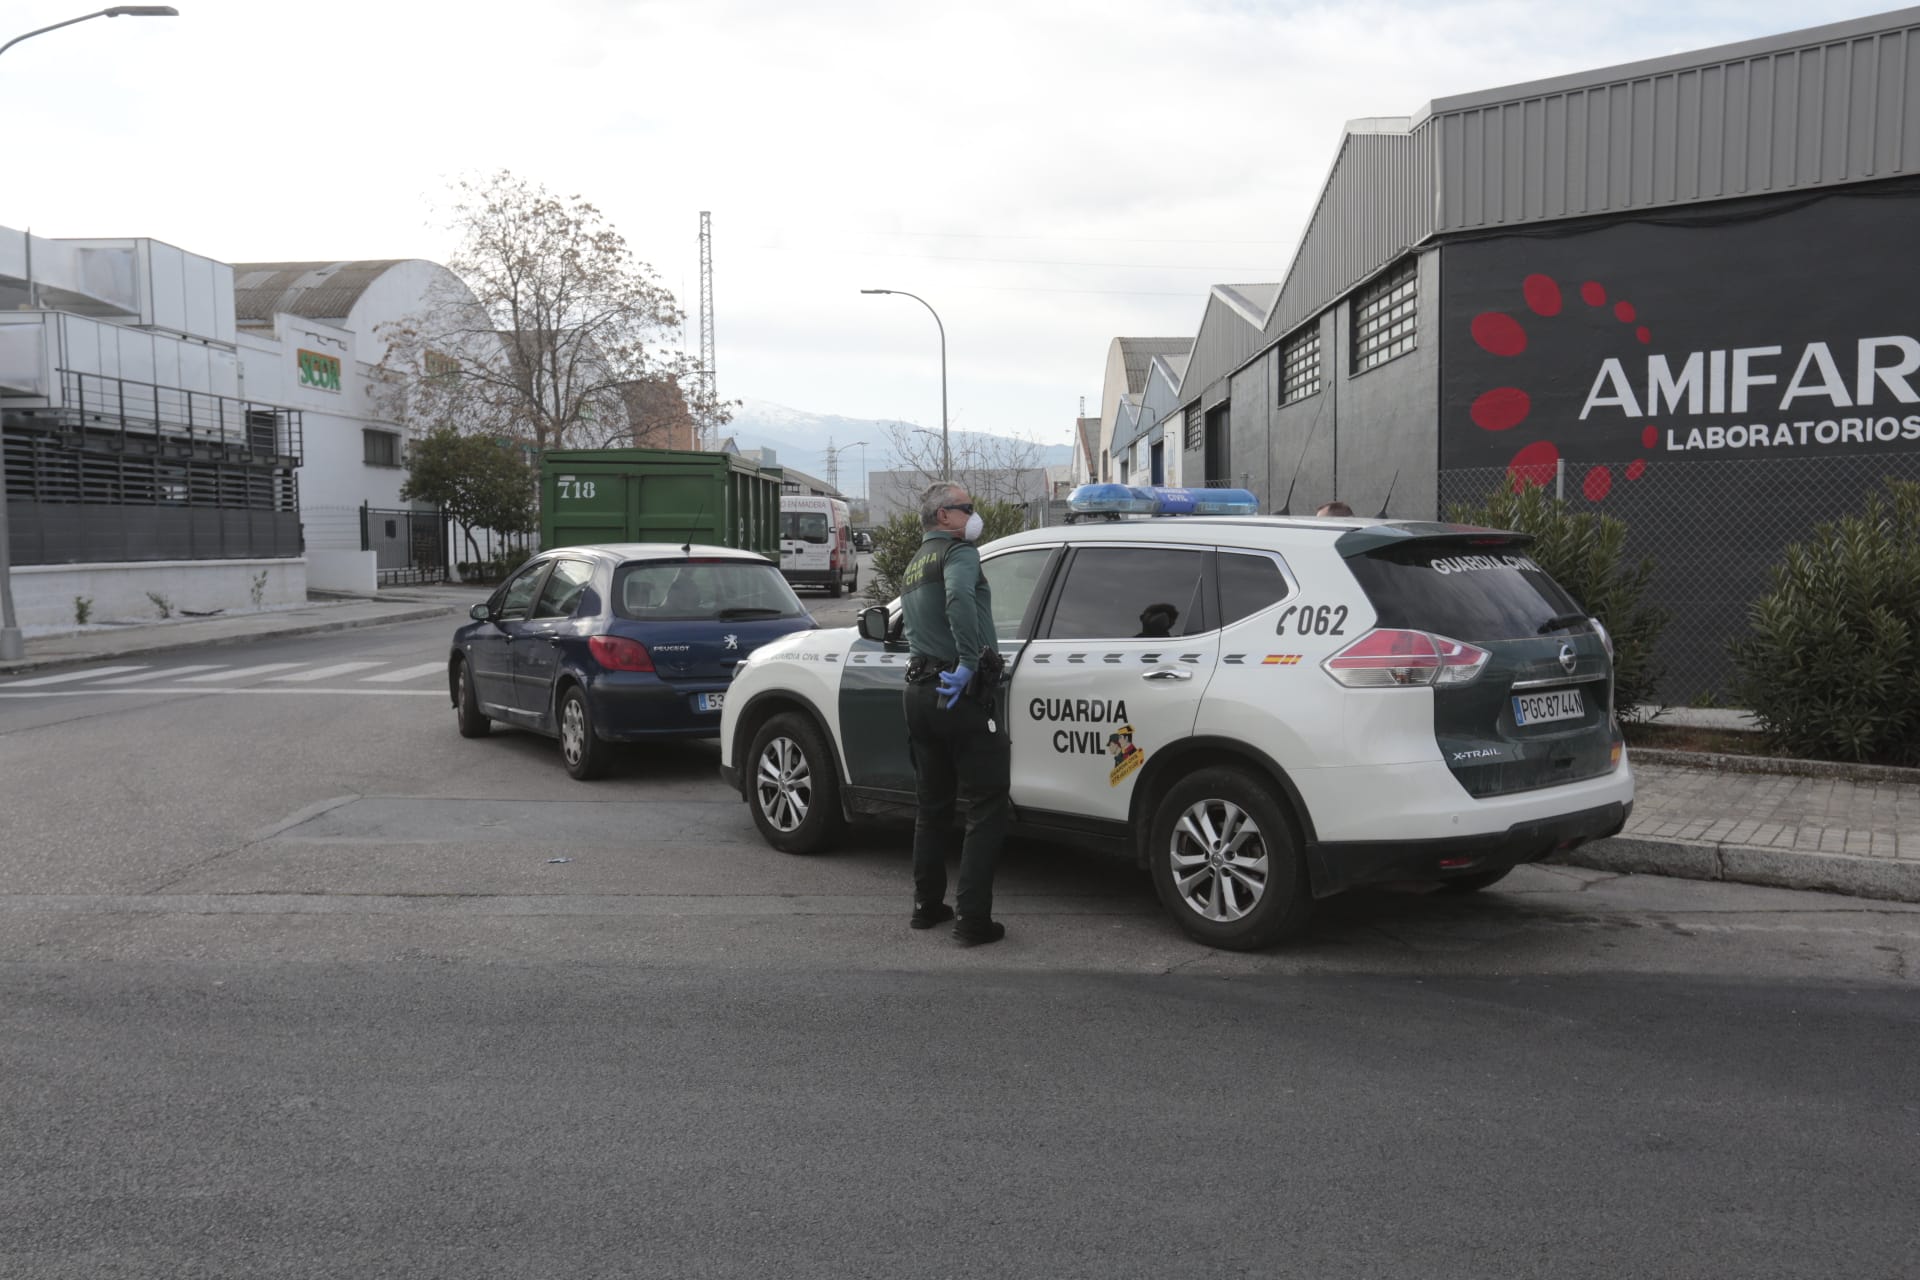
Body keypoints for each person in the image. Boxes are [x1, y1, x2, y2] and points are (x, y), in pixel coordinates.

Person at [899, 482, 1010, 947]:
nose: (974, 514)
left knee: (933, 806)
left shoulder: (915, 562)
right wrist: (968, 661)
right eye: (968, 507)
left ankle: (927, 906)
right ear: (944, 516)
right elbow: (960, 597)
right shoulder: (958, 552)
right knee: (987, 803)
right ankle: (973, 919)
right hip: (958, 690)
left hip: (920, 692)